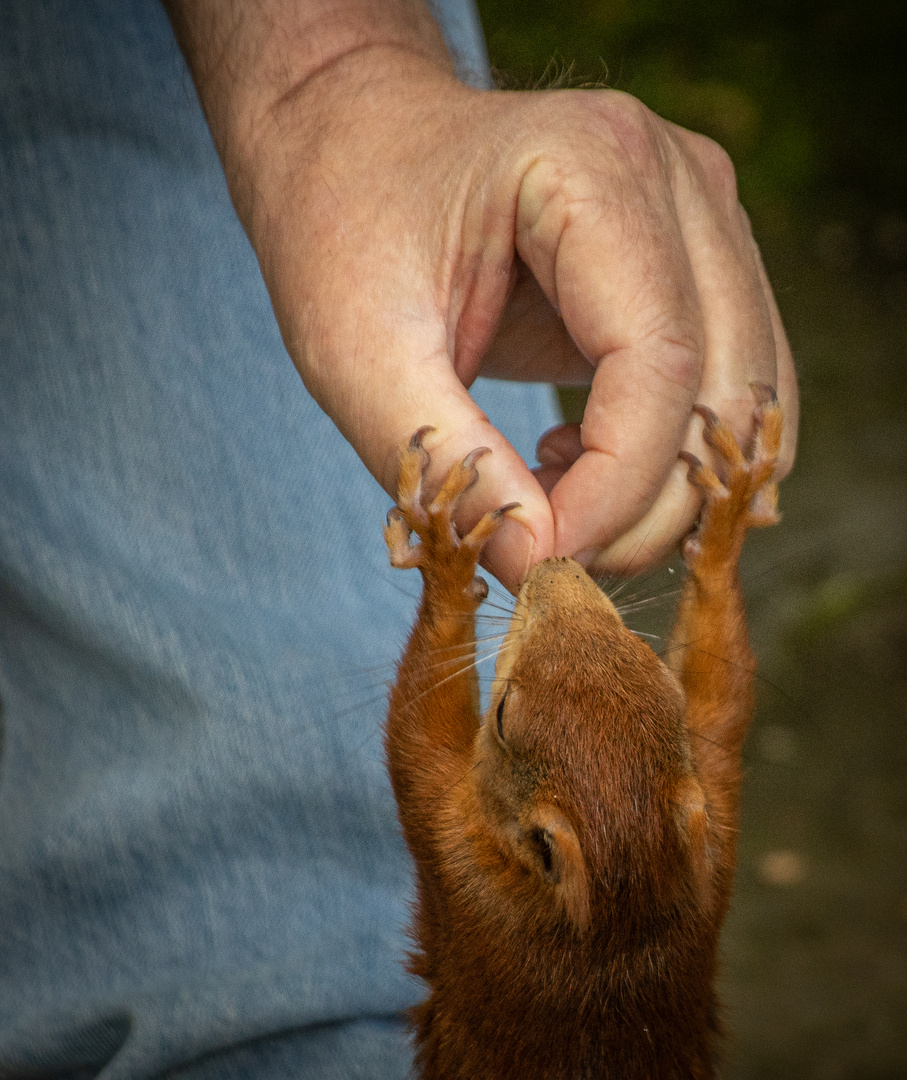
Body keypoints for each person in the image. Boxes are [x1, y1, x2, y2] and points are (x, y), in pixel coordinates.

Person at [0, 0, 797, 1076]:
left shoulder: (500, 877)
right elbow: (722, 706)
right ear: (686, 811)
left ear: (543, 844)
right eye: (638, 665)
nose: (563, 590)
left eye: (514, 700)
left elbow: (422, 754)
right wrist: (715, 555)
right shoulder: (686, 835)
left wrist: (447, 592)